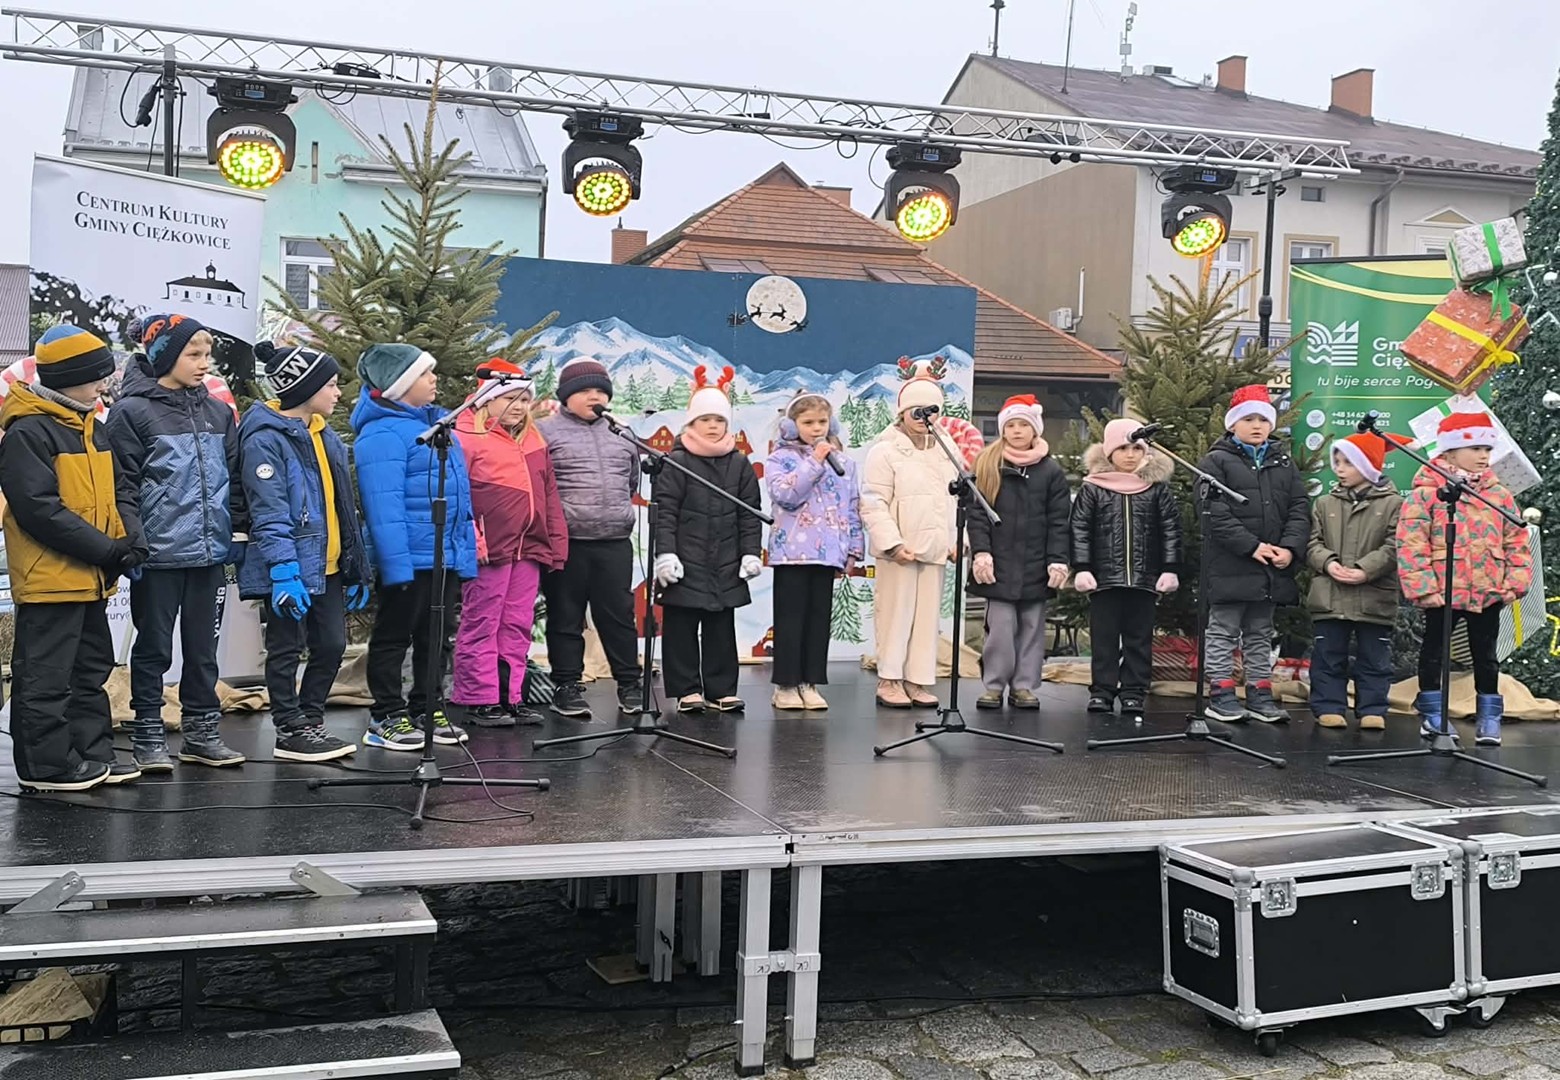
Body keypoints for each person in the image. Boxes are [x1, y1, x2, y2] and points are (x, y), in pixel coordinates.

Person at [1, 327, 147, 791]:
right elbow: (39, 510)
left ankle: (91, 753)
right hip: (50, 581)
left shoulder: (92, 429)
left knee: (90, 670)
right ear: (69, 378)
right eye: (97, 376)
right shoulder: (28, 432)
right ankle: (47, 767)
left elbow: (122, 490)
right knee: (45, 677)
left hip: (91, 578)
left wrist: (132, 538)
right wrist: (108, 550)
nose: (104, 384)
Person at [106, 314, 249, 771]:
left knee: (203, 648)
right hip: (159, 555)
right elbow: (123, 484)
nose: (204, 363)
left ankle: (202, 731)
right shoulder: (132, 412)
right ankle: (148, 730)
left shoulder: (218, 412)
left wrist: (237, 531)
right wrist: (133, 542)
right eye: (193, 354)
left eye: (207, 354)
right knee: (154, 647)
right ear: (165, 355)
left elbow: (235, 478)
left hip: (209, 554)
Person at [238, 343, 371, 762]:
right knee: (285, 647)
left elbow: (343, 506)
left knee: (331, 645)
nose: (338, 393)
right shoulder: (265, 440)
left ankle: (311, 720)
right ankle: (289, 727)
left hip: (327, 566)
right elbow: (269, 509)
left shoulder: (324, 434)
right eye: (330, 385)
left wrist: (356, 567)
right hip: (290, 568)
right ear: (305, 388)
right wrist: (282, 568)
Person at [352, 342, 478, 750]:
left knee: (436, 635)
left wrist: (462, 553)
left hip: (443, 554)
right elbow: (383, 507)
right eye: (425, 373)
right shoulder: (382, 434)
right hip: (409, 558)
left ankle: (428, 706)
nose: (434, 379)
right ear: (399, 384)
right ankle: (386, 715)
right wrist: (397, 566)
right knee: (394, 634)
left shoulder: (439, 428)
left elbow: (458, 498)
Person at [1398, 410, 1531, 746]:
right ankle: (1432, 713)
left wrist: (1514, 581)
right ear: (1450, 451)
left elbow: (1515, 540)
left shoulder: (1498, 495)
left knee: (1485, 654)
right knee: (1435, 651)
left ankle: (1489, 715)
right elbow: (1412, 542)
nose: (1484, 456)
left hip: (1487, 589)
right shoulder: (1427, 493)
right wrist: (1423, 587)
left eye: (1487, 449)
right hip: (1443, 589)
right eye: (1475, 449)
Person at [451, 361, 568, 727]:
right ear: (487, 400)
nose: (519, 406)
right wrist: (473, 539)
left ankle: (510, 696)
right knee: (482, 621)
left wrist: (555, 543)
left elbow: (549, 495)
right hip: (490, 549)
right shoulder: (466, 436)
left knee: (517, 623)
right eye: (509, 399)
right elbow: (457, 496)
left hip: (527, 548)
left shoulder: (533, 439)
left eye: (524, 399)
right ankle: (480, 698)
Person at [1197, 385, 1310, 724]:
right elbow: (1214, 513)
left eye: (1263, 419)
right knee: (1223, 630)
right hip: (1231, 564)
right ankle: (1221, 694)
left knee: (1260, 631)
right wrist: (1252, 546)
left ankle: (1260, 693)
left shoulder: (1282, 462)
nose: (1257, 425)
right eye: (1248, 419)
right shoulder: (1216, 461)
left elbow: (1299, 506)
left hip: (1271, 567)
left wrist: (1289, 548)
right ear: (1233, 424)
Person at [538, 357, 643, 720]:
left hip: (614, 540)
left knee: (619, 616)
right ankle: (567, 686)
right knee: (566, 616)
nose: (594, 397)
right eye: (584, 390)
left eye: (600, 390)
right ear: (566, 396)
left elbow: (631, 482)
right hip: (567, 542)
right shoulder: (545, 432)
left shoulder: (622, 433)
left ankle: (630, 684)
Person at [653, 366, 763, 712]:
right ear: (692, 422)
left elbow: (750, 513)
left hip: (725, 559)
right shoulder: (676, 462)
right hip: (686, 558)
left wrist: (750, 553)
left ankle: (721, 689)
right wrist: (665, 554)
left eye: (719, 420)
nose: (713, 426)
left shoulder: (739, 464)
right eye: (705, 419)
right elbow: (665, 512)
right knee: (681, 625)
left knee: (720, 626)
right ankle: (686, 690)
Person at [1070, 418, 1181, 719]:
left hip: (1145, 578)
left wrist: (1169, 568)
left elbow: (1170, 530)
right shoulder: (1093, 489)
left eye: (1136, 448)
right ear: (1109, 452)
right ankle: (1102, 691)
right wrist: (1082, 567)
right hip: (1104, 579)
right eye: (1123, 449)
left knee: (1139, 638)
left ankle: (1133, 691)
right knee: (1104, 638)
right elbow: (1080, 529)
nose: (1130, 455)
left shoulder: (1156, 489)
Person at [861, 367, 957, 709]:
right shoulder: (885, 451)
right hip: (900, 550)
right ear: (902, 413)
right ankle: (889, 680)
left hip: (935, 548)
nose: (923, 418)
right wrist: (892, 543)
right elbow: (873, 501)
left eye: (930, 411)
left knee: (927, 619)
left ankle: (917, 680)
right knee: (895, 615)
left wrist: (956, 541)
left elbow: (954, 499)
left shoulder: (946, 449)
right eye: (916, 411)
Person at [967, 395, 1071, 710]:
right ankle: (994, 685)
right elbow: (977, 515)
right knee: (1000, 628)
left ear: (1035, 429)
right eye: (1010, 425)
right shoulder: (989, 464)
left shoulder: (1050, 471)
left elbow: (1059, 520)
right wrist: (981, 552)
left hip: (1036, 564)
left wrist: (1058, 559)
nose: (1016, 431)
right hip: (998, 565)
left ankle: (1023, 686)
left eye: (1023, 425)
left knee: (1031, 628)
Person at [765, 392, 863, 711]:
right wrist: (814, 461)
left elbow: (852, 506)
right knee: (790, 619)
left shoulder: (844, 463)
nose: (817, 428)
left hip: (828, 553)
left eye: (822, 421)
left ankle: (810, 682)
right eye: (808, 422)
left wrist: (853, 549)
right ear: (792, 425)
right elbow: (785, 494)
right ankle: (786, 685)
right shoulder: (780, 458)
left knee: (818, 621)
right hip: (792, 554)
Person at [1306, 432, 1405, 733]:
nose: (1339, 468)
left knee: (1375, 657)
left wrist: (1365, 569)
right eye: (1337, 462)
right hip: (1330, 594)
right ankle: (1328, 706)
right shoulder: (1324, 503)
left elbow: (1395, 545)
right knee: (1327, 654)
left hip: (1374, 594)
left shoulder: (1395, 504)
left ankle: (1372, 709)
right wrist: (1328, 563)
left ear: (1368, 465)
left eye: (1348, 462)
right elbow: (1312, 542)